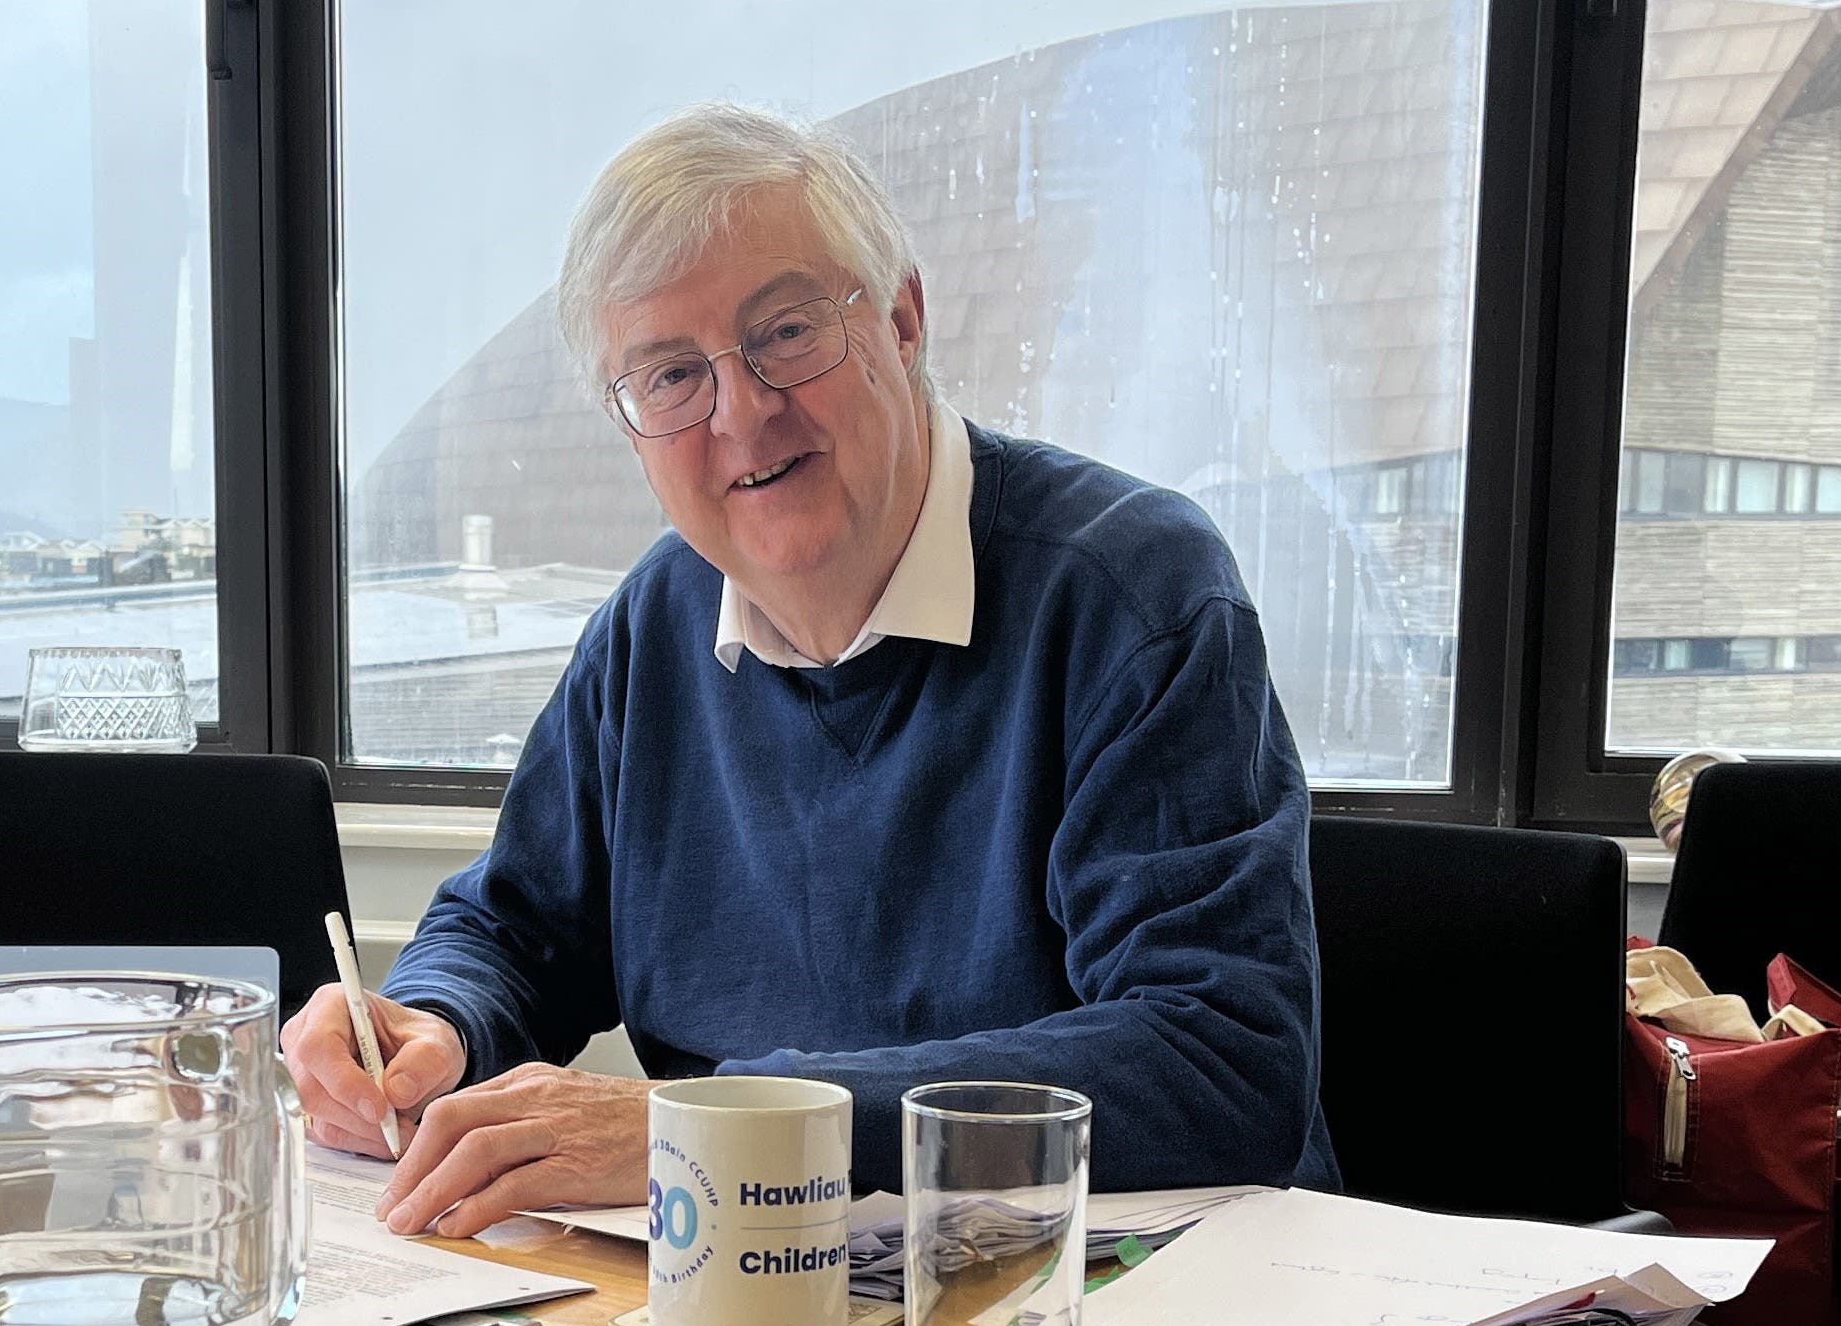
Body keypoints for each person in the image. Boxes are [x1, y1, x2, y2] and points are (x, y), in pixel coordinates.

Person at [284, 104, 1329, 1237]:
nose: (741, 411)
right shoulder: (657, 620)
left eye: (783, 333)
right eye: (672, 376)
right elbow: (513, 928)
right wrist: (434, 1021)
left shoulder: (1132, 590)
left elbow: (1217, 1057)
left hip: (1108, 1313)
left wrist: (720, 1126)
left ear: (903, 319)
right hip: (751, 1283)